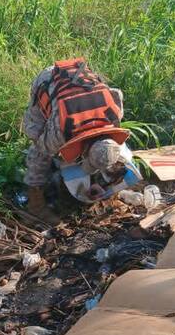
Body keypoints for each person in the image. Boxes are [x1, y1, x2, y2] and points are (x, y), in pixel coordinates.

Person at [22, 58, 129, 224]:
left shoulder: (114, 115)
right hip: (48, 82)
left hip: (79, 80)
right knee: (39, 148)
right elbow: (43, 147)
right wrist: (64, 159)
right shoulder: (60, 133)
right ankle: (34, 204)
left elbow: (116, 93)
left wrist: (97, 181)